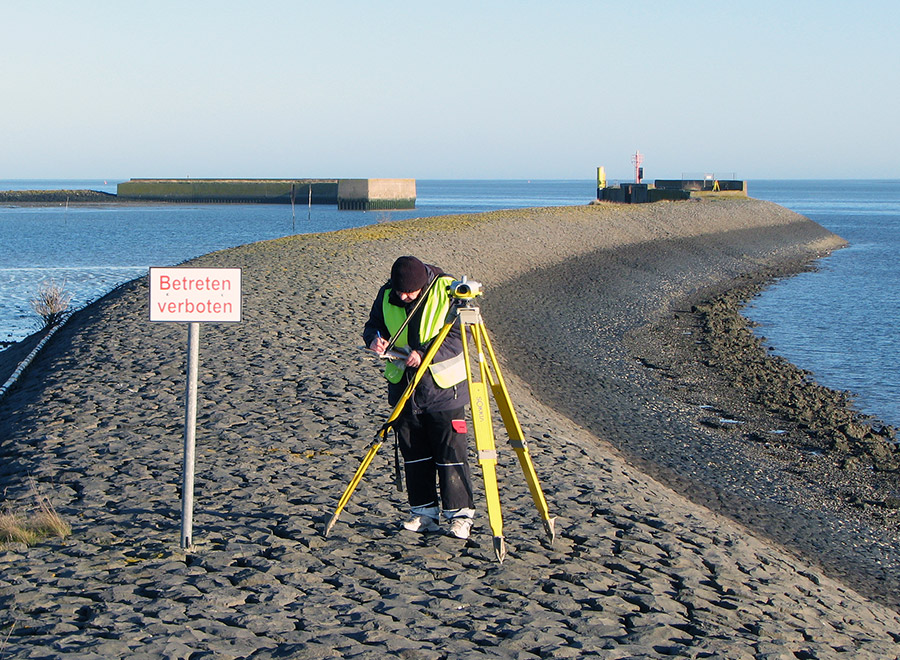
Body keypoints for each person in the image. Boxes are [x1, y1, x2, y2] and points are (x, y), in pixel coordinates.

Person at [363, 256, 475, 539]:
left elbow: (460, 334)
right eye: (400, 292)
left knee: (450, 453)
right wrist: (374, 339)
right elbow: (373, 324)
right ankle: (424, 513)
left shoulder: (448, 289)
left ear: (422, 285)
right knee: (414, 454)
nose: (403, 297)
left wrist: (425, 354)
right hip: (405, 388)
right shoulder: (387, 293)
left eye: (409, 293)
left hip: (444, 389)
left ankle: (460, 517)